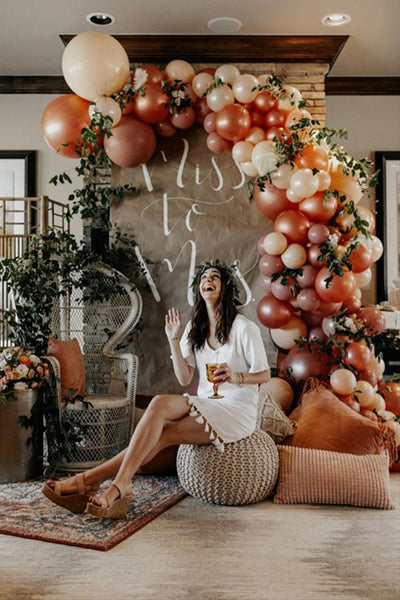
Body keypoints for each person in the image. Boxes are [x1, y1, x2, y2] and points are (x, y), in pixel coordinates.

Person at [42, 259, 270, 519]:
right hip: (207, 402)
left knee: (164, 434)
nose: (208, 280)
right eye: (204, 277)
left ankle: (92, 480)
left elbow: (264, 374)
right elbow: (184, 378)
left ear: (226, 287)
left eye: (215, 277)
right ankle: (113, 484)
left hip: (237, 410)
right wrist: (173, 337)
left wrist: (236, 376)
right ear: (198, 289)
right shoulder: (196, 329)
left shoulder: (243, 328)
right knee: (160, 408)